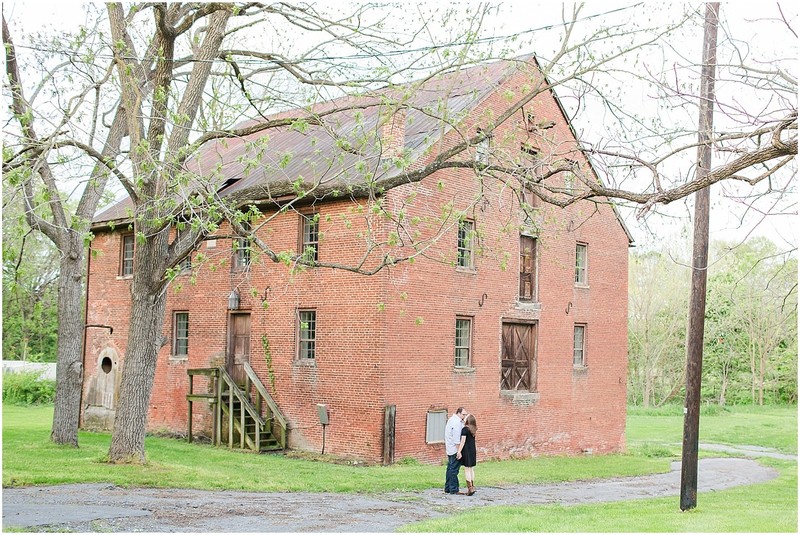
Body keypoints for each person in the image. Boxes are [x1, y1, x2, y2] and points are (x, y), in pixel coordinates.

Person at [444, 407, 467, 494]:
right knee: (454, 469)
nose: (464, 416)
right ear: (458, 413)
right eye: (463, 414)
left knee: (450, 468)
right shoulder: (457, 423)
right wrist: (459, 451)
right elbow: (457, 439)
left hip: (450, 448)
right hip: (454, 448)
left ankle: (448, 488)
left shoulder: (451, 420)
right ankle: (454, 489)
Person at [456, 414, 477, 496]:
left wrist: (459, 451)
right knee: (471, 469)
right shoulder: (474, 429)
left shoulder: (465, 429)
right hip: (472, 450)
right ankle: (473, 486)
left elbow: (463, 441)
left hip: (467, 451)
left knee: (467, 469)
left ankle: (470, 488)